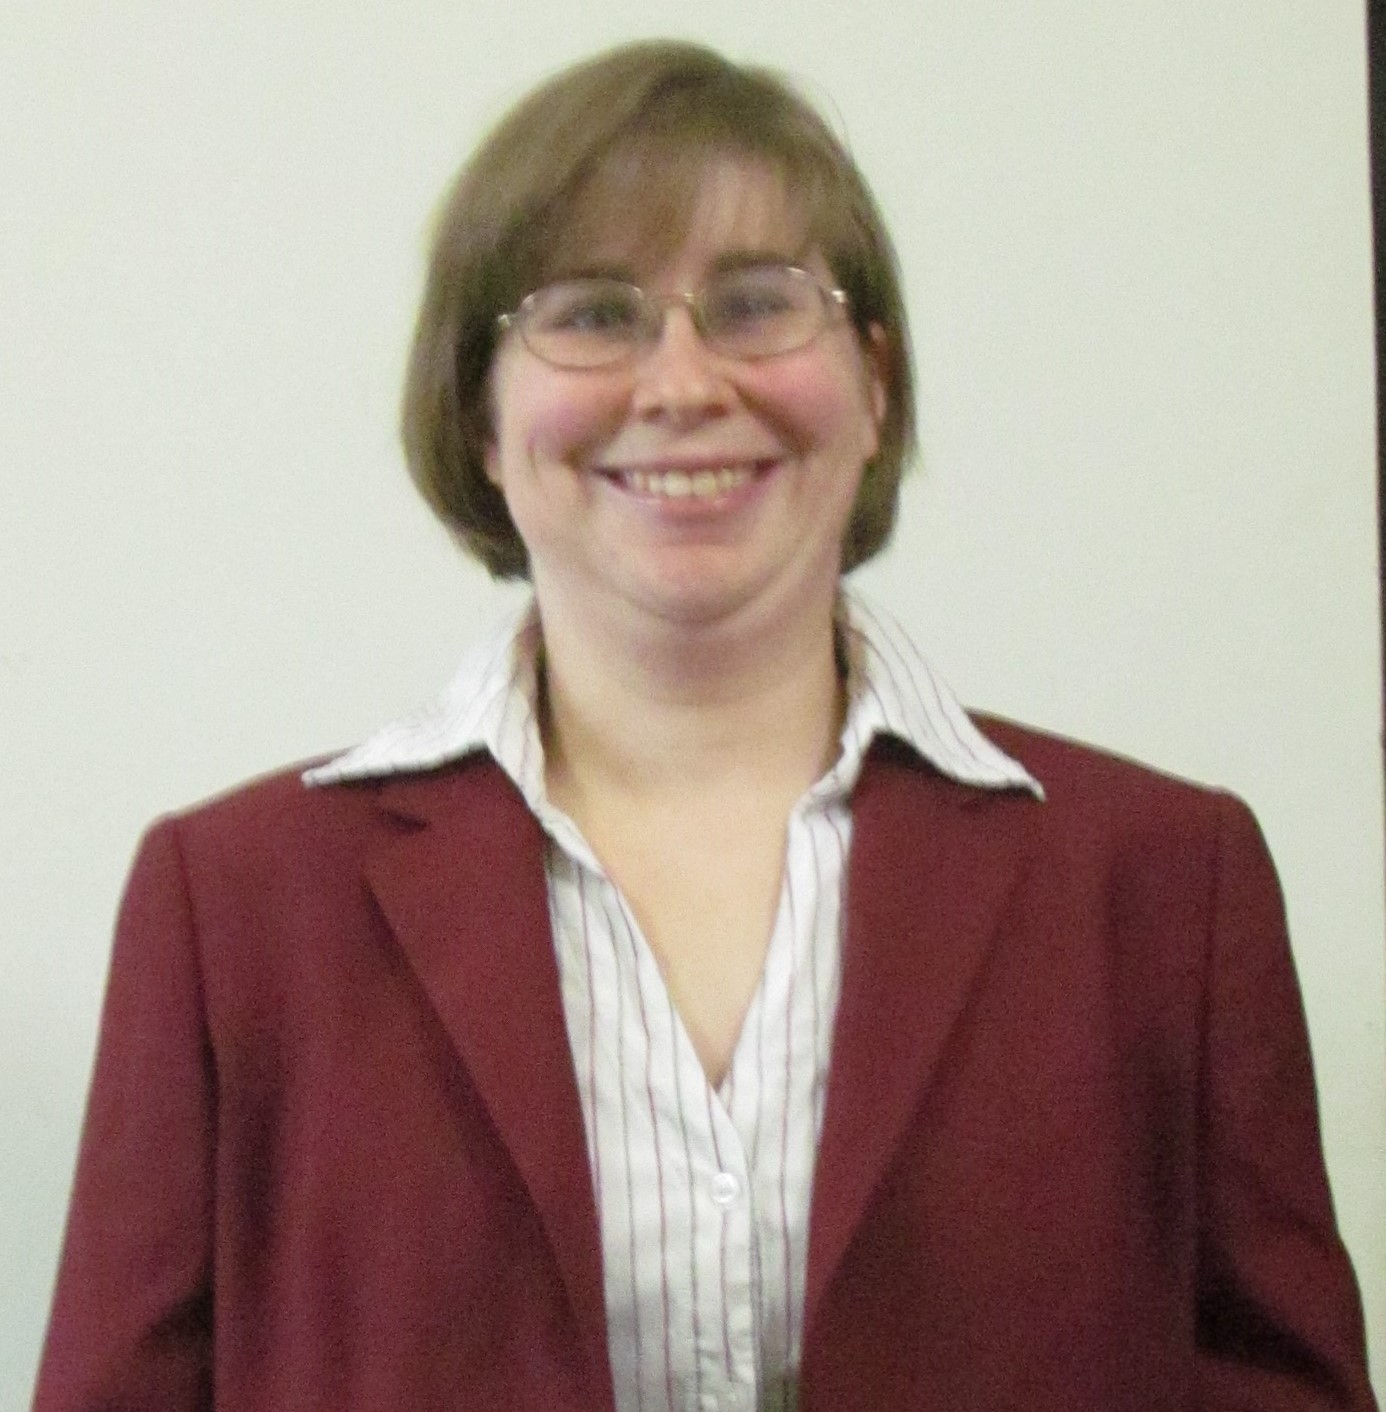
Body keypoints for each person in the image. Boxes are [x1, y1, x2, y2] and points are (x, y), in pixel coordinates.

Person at [33, 38, 1377, 1412]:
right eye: (593, 316)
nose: (680, 385)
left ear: (873, 385)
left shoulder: (1161, 887)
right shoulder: (238, 912)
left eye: (754, 305)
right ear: (482, 416)